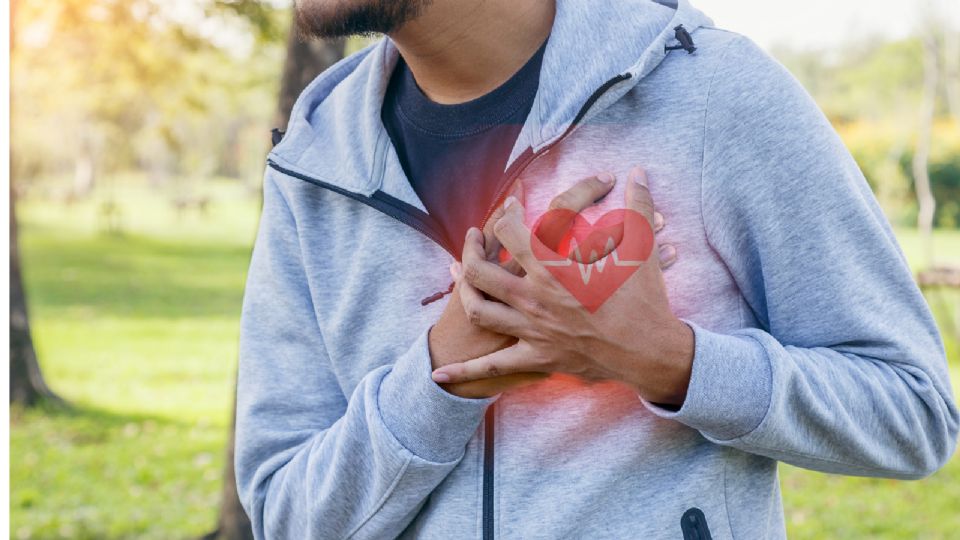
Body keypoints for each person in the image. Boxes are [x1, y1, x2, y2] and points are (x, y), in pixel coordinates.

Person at [234, 0, 960, 538]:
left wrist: (667, 362)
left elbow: (913, 413)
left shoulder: (713, 92)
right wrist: (441, 375)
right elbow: (286, 515)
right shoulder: (314, 159)